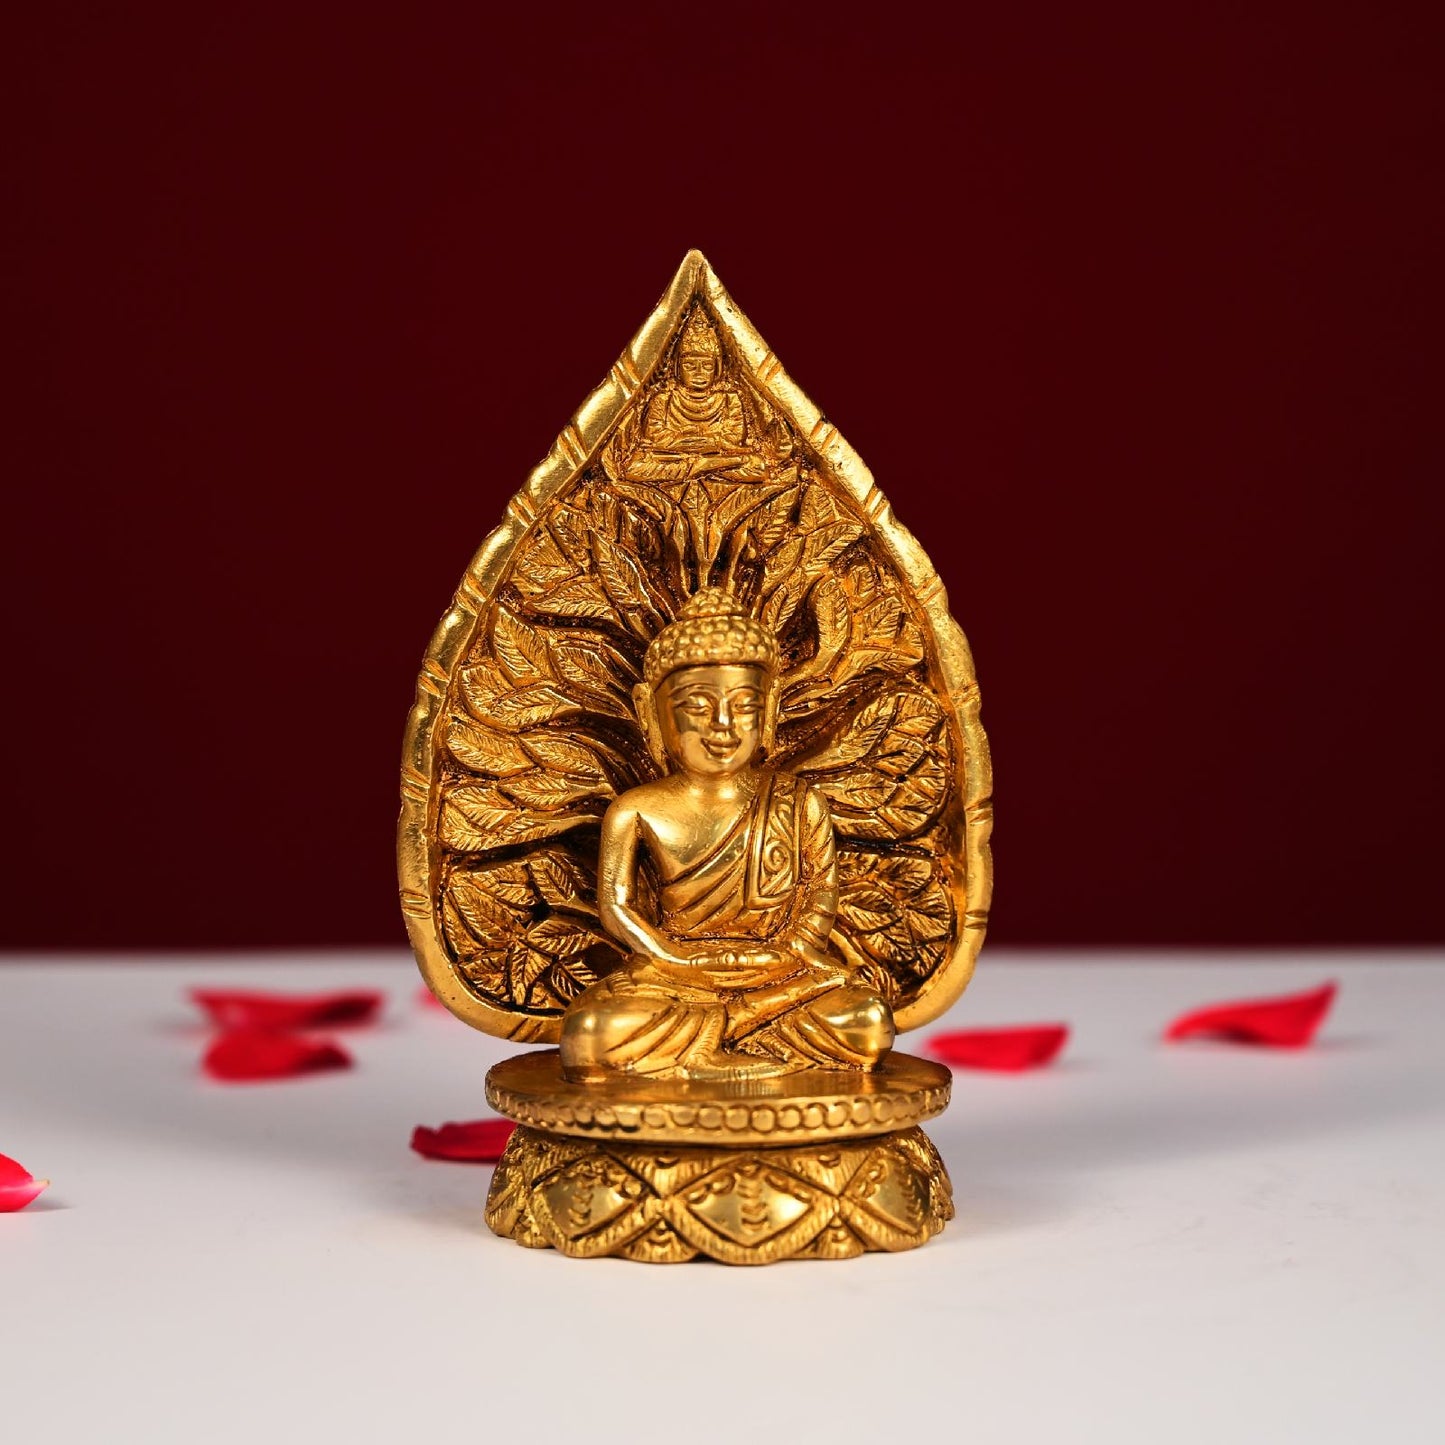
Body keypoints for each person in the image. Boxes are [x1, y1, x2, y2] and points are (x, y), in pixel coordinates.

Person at [559, 588, 894, 1082]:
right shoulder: (635, 809)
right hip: (673, 976)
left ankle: (716, 1038)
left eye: (744, 705)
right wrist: (674, 958)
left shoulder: (798, 801)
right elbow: (618, 907)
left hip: (777, 971)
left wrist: (787, 952)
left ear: (770, 710)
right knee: (591, 1032)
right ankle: (736, 1034)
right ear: (651, 711)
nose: (722, 726)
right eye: (697, 704)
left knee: (866, 1022)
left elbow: (820, 895)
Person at [619, 309, 772, 482]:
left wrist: (703, 442)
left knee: (756, 465)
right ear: (677, 367)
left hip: (716, 457)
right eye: (690, 365)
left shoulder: (730, 399)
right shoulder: (664, 399)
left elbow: (734, 438)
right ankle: (703, 468)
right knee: (636, 467)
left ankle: (700, 468)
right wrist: (690, 440)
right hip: (673, 458)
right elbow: (655, 436)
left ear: (717, 369)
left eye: (707, 366)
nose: (699, 372)